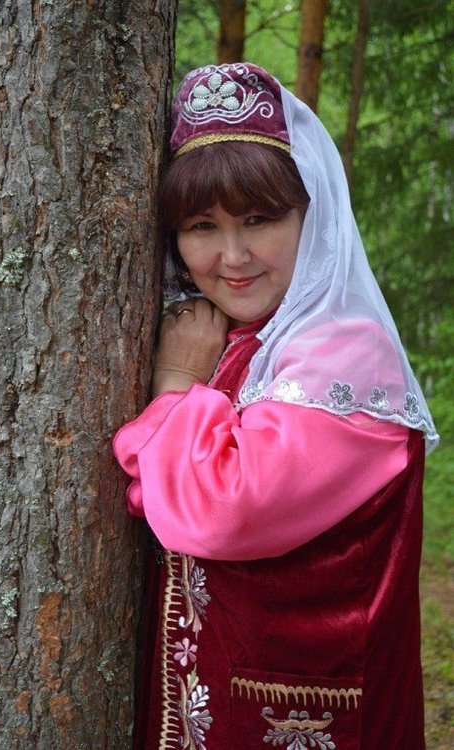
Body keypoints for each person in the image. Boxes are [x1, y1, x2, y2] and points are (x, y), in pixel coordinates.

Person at [113, 63, 438, 750]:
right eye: (201, 226)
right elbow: (155, 495)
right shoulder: (237, 338)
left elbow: (221, 509)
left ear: (310, 217)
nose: (232, 256)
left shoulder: (344, 350)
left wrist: (175, 384)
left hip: (304, 715)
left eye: (259, 220)